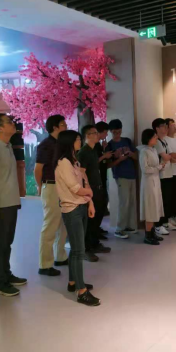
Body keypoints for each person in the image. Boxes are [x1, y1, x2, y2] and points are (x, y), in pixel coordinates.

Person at [54, 130, 100, 307]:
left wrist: (90, 202)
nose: (80, 141)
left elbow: (84, 181)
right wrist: (90, 193)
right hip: (72, 209)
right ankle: (81, 292)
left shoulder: (74, 161)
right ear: (69, 142)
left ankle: (73, 282)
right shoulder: (63, 163)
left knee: (76, 249)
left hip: (81, 206)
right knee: (79, 250)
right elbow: (76, 188)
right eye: (77, 139)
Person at [0, 114, 27, 297]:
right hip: (0, 203)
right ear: (0, 128)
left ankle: (7, 274)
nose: (13, 124)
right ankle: (0, 282)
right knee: (0, 242)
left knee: (7, 242)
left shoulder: (8, 146)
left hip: (11, 201)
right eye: (9, 122)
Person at [35, 115, 69, 276]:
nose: (66, 126)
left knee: (63, 223)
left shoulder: (61, 144)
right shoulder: (45, 145)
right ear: (55, 127)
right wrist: (40, 186)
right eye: (63, 124)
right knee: (50, 224)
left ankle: (60, 256)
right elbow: (38, 169)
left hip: (63, 187)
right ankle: (45, 264)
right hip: (50, 185)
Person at [78, 125, 112, 262]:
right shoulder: (84, 152)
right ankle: (86, 249)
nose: (97, 135)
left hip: (98, 187)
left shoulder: (93, 150)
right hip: (90, 189)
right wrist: (87, 190)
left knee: (97, 217)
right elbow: (81, 173)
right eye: (94, 133)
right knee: (90, 220)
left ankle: (94, 243)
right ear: (87, 135)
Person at [108, 119, 138, 239]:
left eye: (119, 131)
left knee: (131, 201)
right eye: (115, 132)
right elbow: (108, 164)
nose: (117, 133)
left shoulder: (127, 141)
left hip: (132, 174)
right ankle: (119, 229)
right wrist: (120, 159)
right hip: (120, 175)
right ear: (111, 131)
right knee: (124, 202)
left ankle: (129, 226)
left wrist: (130, 154)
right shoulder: (110, 145)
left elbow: (136, 156)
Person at [137, 129, 167, 246]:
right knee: (150, 207)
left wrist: (160, 166)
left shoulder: (153, 150)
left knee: (155, 206)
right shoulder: (144, 151)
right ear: (148, 138)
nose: (156, 138)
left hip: (155, 180)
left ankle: (152, 232)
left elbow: (154, 166)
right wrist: (158, 167)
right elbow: (144, 169)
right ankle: (148, 235)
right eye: (154, 137)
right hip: (148, 183)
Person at [152, 118, 176, 236]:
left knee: (168, 199)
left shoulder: (164, 140)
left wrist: (173, 159)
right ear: (157, 128)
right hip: (161, 175)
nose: (166, 128)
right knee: (162, 201)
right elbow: (166, 157)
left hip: (168, 173)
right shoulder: (156, 141)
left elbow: (169, 155)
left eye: (166, 126)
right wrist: (171, 157)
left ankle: (165, 222)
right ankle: (159, 225)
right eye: (163, 126)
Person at [95, 121, 113, 225]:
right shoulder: (93, 146)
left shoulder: (99, 145)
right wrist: (105, 156)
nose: (106, 135)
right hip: (97, 179)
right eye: (106, 132)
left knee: (103, 203)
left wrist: (104, 149)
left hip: (102, 176)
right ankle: (95, 228)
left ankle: (98, 227)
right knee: (100, 204)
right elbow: (94, 161)